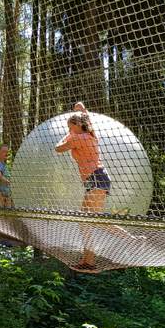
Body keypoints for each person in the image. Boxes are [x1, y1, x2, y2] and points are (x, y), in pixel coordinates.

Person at [55, 102, 111, 272]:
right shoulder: (90, 133)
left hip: (96, 178)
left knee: (84, 219)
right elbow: (87, 120)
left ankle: (90, 261)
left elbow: (58, 148)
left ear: (76, 126)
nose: (69, 128)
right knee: (93, 219)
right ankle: (90, 260)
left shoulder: (78, 138)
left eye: (70, 126)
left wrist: (68, 133)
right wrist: (82, 109)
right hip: (94, 179)